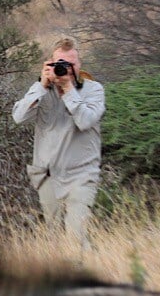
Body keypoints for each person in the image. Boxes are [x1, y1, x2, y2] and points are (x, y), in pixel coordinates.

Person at [12, 36, 105, 245]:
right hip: (48, 174)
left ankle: (86, 270)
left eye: (71, 64)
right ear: (50, 64)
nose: (67, 69)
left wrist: (69, 91)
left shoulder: (94, 90)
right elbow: (18, 117)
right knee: (54, 236)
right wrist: (41, 86)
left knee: (75, 233)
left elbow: (85, 121)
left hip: (81, 173)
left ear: (79, 64)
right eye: (60, 64)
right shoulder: (41, 90)